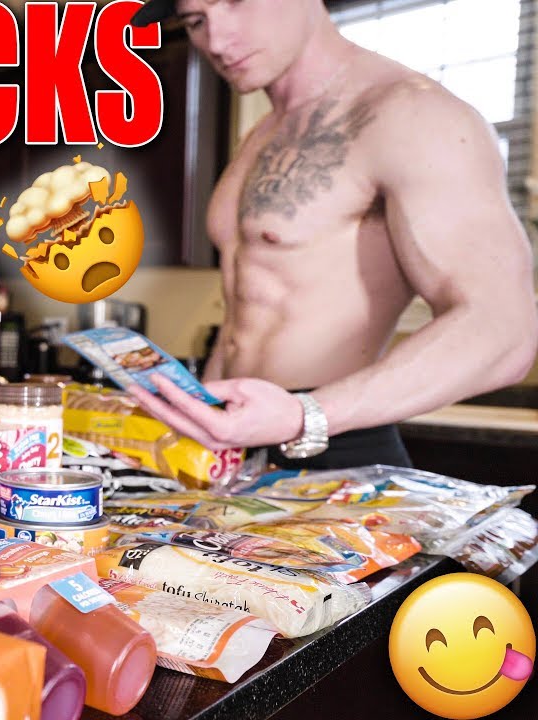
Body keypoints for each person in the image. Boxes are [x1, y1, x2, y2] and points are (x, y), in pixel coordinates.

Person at [124, 0, 538, 469]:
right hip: (236, 449)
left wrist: (305, 415)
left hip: (332, 443)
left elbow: (504, 332)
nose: (216, 41)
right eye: (196, 21)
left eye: (236, 3)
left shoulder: (414, 115)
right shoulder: (262, 134)